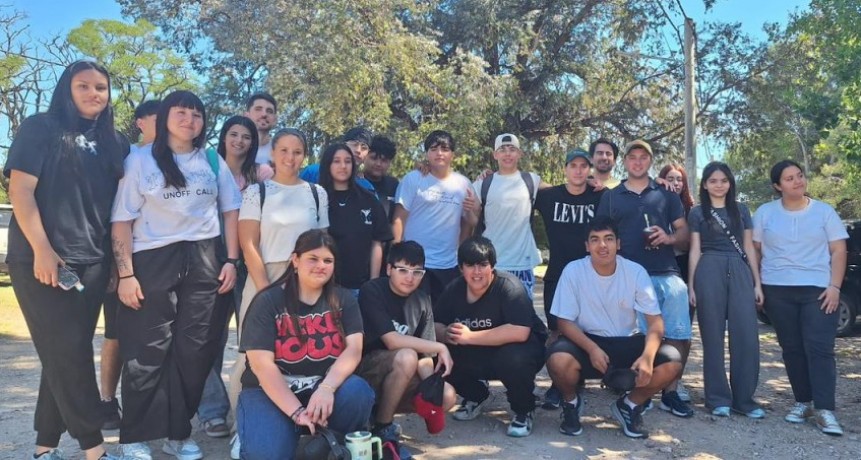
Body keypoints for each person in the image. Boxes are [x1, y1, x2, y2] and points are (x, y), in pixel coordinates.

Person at [5, 60, 126, 460]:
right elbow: (21, 192)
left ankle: (44, 447)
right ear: (66, 89)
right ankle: (94, 448)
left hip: (92, 263)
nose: (94, 93)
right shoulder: (41, 128)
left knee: (61, 353)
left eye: (101, 87)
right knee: (70, 352)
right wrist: (42, 249)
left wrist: (112, 265)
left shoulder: (115, 141)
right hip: (40, 260)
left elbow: (116, 210)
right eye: (84, 86)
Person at [111, 90, 241, 459]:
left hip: (204, 259)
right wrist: (125, 275)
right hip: (151, 259)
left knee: (193, 351)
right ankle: (133, 437)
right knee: (147, 349)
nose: (190, 120)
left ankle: (178, 433)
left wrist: (230, 260)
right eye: (181, 112)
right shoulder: (139, 160)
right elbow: (121, 221)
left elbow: (230, 211)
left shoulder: (212, 159)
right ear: (165, 116)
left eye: (197, 114)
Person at [229, 127, 329, 457]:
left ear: (305, 155)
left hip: (306, 280)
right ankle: (242, 428)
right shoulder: (258, 192)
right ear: (272, 153)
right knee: (252, 357)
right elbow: (248, 243)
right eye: (283, 150)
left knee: (299, 351)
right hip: (265, 278)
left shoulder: (316, 193)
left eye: (297, 151)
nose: (290, 157)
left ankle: (295, 418)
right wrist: (267, 290)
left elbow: (321, 244)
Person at [236, 229, 375, 459]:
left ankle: (326, 443)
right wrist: (296, 411)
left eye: (328, 260)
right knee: (268, 454)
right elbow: (261, 365)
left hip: (322, 389)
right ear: (295, 260)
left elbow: (354, 349)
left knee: (358, 391)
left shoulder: (344, 299)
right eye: (313, 258)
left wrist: (326, 388)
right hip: (269, 392)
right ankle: (276, 432)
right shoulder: (267, 301)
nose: (321, 265)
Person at [546, 217, 682, 438]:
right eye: (595, 240)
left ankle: (629, 405)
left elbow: (655, 322)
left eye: (608, 239)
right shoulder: (573, 270)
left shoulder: (635, 271)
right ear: (587, 246)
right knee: (556, 358)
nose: (602, 245)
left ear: (618, 244)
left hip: (626, 341)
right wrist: (591, 349)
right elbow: (564, 322)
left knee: (672, 360)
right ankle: (570, 403)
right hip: (586, 341)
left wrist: (647, 357)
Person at [596, 139, 693, 418]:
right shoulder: (611, 197)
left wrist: (669, 238)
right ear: (625, 162)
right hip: (628, 275)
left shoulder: (667, 195)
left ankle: (671, 391)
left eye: (643, 157)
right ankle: (641, 390)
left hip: (666, 272)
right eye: (632, 157)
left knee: (678, 334)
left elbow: (684, 236)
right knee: (638, 337)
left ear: (650, 161)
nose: (638, 162)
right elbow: (601, 234)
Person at [753, 159, 848, 436]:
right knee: (792, 348)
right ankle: (803, 402)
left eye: (799, 175)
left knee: (819, 348)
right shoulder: (765, 213)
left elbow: (839, 251)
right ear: (777, 186)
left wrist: (835, 287)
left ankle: (825, 409)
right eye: (789, 178)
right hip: (777, 289)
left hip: (818, 290)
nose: (797, 181)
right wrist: (757, 285)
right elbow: (756, 251)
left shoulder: (824, 212)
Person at [196, 115, 275, 439]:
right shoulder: (206, 166)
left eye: (246, 136)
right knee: (207, 340)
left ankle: (252, 406)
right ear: (223, 136)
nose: (240, 141)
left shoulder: (262, 175)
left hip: (251, 264)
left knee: (253, 338)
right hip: (210, 262)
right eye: (233, 134)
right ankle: (212, 410)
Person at [434, 237, 547, 438]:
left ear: (492, 266)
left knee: (514, 358)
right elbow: (434, 324)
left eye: (483, 265)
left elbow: (520, 331)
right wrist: (445, 333)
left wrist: (469, 337)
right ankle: (475, 394)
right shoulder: (454, 289)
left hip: (522, 349)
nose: (477, 272)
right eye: (470, 265)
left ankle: (523, 409)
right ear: (461, 268)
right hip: (480, 350)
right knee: (437, 355)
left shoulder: (509, 287)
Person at [357, 241, 457, 456]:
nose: (409, 278)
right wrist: (440, 346)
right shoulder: (372, 290)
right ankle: (383, 427)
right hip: (362, 372)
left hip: (401, 373)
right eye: (402, 270)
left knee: (447, 395)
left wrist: (431, 390)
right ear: (389, 269)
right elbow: (392, 341)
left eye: (417, 272)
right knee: (406, 356)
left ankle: (378, 416)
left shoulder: (422, 300)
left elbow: (425, 357)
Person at [100, 99, 161, 431]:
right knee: (117, 334)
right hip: (120, 260)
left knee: (154, 340)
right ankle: (107, 402)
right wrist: (120, 268)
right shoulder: (127, 157)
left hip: (159, 265)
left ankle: (155, 409)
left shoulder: (177, 160)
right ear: (140, 122)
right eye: (158, 117)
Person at [688, 162, 764, 418]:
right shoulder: (698, 212)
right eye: (713, 180)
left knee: (746, 335)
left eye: (723, 180)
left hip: (739, 268)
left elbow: (749, 247)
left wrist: (757, 282)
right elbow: (695, 250)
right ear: (705, 184)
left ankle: (744, 399)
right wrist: (691, 285)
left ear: (730, 183)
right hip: (709, 268)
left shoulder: (741, 210)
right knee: (712, 336)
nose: (719, 185)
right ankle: (717, 397)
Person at [533, 149, 604, 409]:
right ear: (565, 169)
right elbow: (522, 181)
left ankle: (579, 379)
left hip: (590, 276)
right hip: (557, 275)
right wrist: (489, 174)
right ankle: (558, 383)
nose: (578, 170)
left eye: (583, 166)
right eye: (573, 165)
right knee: (557, 331)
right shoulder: (549, 196)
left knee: (584, 329)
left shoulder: (600, 196)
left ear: (589, 170)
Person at [393, 130, 479, 302]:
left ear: (452, 154)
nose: (439, 153)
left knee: (444, 316)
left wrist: (470, 211)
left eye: (445, 149)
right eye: (433, 149)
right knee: (414, 317)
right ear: (427, 153)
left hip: (449, 264)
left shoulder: (463, 184)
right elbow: (399, 219)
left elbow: (470, 224)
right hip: (415, 263)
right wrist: (396, 253)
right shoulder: (413, 179)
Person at [472, 133, 542, 298]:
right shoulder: (482, 184)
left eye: (512, 149)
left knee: (522, 320)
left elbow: (563, 192)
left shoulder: (532, 181)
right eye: (502, 149)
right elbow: (470, 220)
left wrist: (590, 181)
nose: (508, 153)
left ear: (519, 154)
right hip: (491, 264)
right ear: (495, 154)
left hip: (522, 265)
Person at [319, 143, 392, 294]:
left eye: (347, 161)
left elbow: (377, 242)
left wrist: (372, 284)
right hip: (325, 286)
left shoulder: (369, 199)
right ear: (328, 164)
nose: (343, 166)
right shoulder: (317, 198)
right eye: (336, 161)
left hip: (360, 287)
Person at [657, 162, 695, 402]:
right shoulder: (655, 202)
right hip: (658, 267)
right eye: (670, 178)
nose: (675, 182)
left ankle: (674, 383)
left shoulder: (692, 211)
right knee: (654, 329)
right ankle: (650, 379)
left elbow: (691, 245)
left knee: (682, 330)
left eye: (679, 179)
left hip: (684, 269)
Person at [300, 126, 376, 192]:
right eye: (354, 144)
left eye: (364, 148)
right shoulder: (313, 173)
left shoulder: (367, 188)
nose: (358, 150)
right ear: (343, 145)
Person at [364, 134, 400, 219]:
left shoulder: (394, 185)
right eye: (374, 158)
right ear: (365, 157)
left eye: (384, 160)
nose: (378, 164)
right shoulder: (354, 182)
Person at [243, 92, 277, 164]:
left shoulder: (280, 154)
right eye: (258, 109)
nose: (264, 114)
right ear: (246, 116)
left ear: (275, 119)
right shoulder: (234, 150)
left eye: (269, 111)